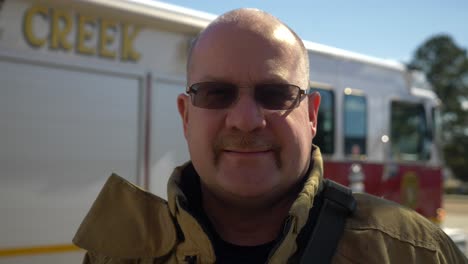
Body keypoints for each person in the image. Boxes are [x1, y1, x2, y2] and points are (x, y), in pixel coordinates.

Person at [73, 8, 468, 264]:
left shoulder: (415, 253)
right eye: (216, 93)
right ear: (185, 116)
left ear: (312, 116)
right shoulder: (117, 255)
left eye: (275, 94)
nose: (245, 120)